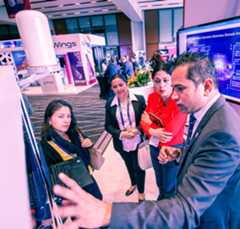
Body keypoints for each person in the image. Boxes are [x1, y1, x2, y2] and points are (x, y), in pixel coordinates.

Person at [53, 52, 240, 229]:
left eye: (180, 88)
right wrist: (180, 152)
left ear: (206, 87)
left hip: (212, 219)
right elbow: (200, 149)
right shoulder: (205, 112)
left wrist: (106, 212)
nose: (173, 95)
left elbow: (186, 209)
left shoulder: (222, 133)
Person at [141, 62, 187, 200]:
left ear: (172, 80)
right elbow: (142, 121)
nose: (161, 85)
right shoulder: (152, 97)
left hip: (172, 149)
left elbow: (168, 135)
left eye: (166, 80)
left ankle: (167, 213)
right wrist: (153, 130)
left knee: (169, 186)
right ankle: (161, 204)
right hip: (154, 146)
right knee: (159, 182)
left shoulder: (180, 100)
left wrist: (151, 126)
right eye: (157, 81)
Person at [40, 99, 103, 200]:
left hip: (88, 180)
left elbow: (96, 164)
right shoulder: (47, 145)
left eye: (68, 116)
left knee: (98, 199)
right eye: (61, 116)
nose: (66, 120)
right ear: (49, 120)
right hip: (74, 193)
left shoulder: (76, 133)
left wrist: (90, 147)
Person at [105, 74, 146, 201]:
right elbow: (108, 126)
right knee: (128, 164)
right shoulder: (110, 103)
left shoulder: (139, 99)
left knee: (138, 167)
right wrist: (121, 134)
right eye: (115, 86)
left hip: (137, 140)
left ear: (126, 84)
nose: (119, 88)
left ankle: (141, 192)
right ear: (112, 89)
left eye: (121, 85)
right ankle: (133, 184)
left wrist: (137, 130)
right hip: (121, 143)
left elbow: (147, 120)